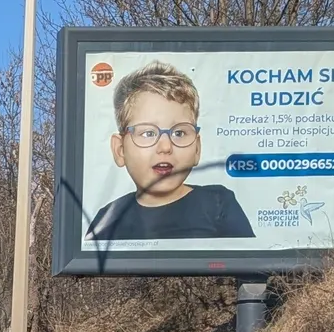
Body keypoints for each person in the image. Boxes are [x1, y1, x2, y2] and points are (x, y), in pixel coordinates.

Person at [87, 63, 254, 243]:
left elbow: (252, 264)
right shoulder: (108, 218)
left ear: (197, 148)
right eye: (148, 133)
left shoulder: (218, 204)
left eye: (179, 133)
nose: (165, 147)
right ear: (120, 150)